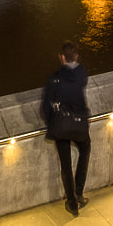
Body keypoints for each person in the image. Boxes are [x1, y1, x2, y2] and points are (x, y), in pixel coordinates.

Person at [42, 40, 92, 215]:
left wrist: (52, 124)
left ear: (61, 57)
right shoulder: (82, 73)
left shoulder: (54, 79)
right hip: (79, 124)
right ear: (76, 56)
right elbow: (77, 80)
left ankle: (71, 203)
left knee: (66, 165)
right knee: (85, 149)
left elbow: (45, 108)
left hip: (61, 126)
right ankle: (79, 191)